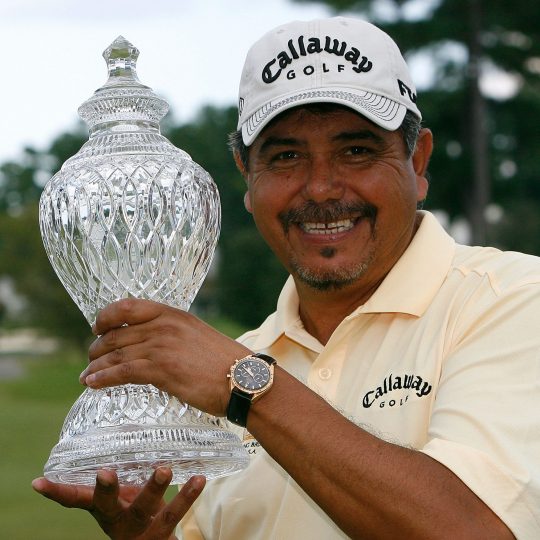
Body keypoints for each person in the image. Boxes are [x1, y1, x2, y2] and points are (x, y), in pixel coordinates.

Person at [32, 16, 540, 539]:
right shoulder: (228, 366)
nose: (320, 188)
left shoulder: (514, 301)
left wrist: (250, 390)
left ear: (419, 161)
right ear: (246, 177)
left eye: (357, 150)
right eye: (286, 156)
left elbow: (477, 529)